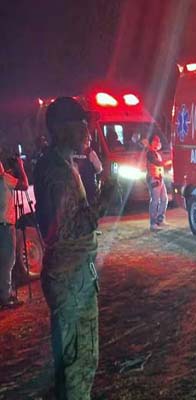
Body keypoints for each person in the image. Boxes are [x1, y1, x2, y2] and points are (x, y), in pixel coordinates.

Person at [34, 97, 115, 399]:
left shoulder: (60, 164)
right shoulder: (57, 171)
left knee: (77, 360)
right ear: (65, 129)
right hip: (71, 279)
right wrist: (108, 193)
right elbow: (70, 228)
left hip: (73, 275)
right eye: (83, 126)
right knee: (78, 365)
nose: (89, 132)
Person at [0, 153, 28, 309]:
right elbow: (24, 185)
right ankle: (6, 297)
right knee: (8, 262)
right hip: (5, 226)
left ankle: (3, 294)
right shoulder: (5, 179)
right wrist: (21, 167)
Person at [146, 134, 171, 231]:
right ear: (151, 142)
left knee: (164, 199)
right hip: (153, 179)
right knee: (155, 201)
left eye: (159, 141)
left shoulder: (157, 153)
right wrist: (168, 161)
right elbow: (157, 163)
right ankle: (153, 223)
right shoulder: (150, 153)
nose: (158, 142)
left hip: (160, 179)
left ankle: (160, 219)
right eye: (156, 140)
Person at [73, 134, 103, 205]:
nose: (90, 140)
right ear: (86, 140)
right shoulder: (90, 152)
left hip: (75, 187)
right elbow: (99, 168)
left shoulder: (71, 152)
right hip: (89, 188)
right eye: (89, 139)